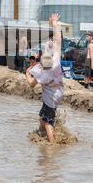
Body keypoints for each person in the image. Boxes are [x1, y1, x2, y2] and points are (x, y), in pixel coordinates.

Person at [25, 14, 63, 143]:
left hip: (50, 99)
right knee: (42, 118)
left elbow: (31, 84)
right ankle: (41, 135)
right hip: (58, 93)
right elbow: (58, 41)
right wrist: (54, 24)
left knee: (48, 122)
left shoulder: (40, 72)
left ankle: (52, 146)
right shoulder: (56, 63)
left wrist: (26, 74)